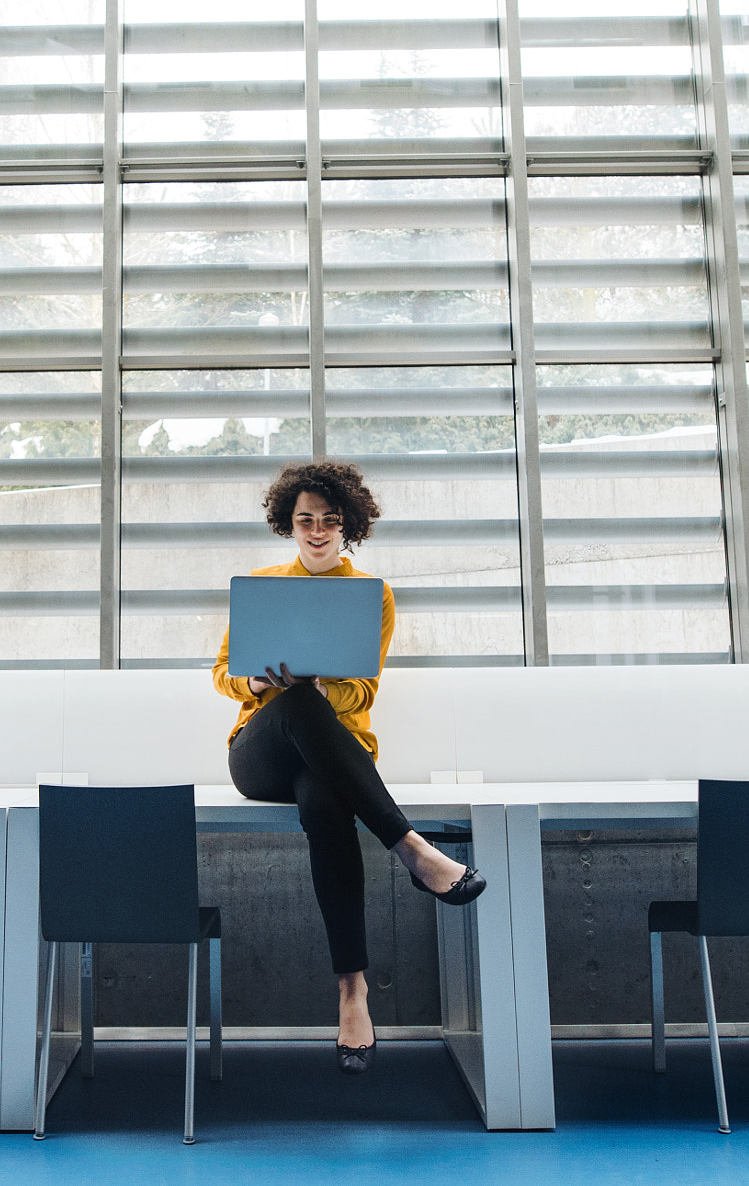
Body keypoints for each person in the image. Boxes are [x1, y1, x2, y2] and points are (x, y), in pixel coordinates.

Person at [212, 460, 484, 1077]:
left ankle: (352, 991)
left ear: (348, 527)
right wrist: (258, 683)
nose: (315, 532)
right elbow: (222, 674)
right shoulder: (261, 585)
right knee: (296, 701)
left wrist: (315, 690)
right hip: (260, 756)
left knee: (326, 806)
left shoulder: (373, 595)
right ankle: (413, 848)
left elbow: (363, 691)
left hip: (331, 760)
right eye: (304, 520)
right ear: (288, 523)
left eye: (328, 522)